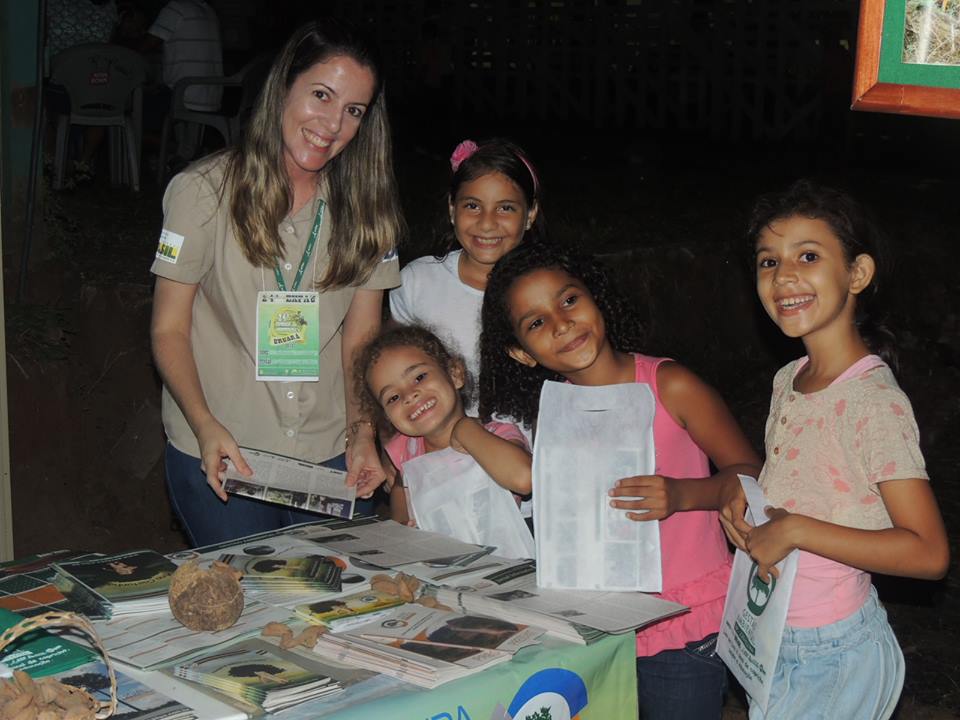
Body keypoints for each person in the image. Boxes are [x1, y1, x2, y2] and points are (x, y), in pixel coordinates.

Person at [477, 240, 761, 720]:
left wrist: (682, 494)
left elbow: (748, 471)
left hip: (684, 622)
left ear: (596, 297)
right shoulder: (554, 416)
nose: (562, 324)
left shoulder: (669, 384)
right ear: (522, 353)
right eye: (536, 323)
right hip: (599, 623)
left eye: (569, 300)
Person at [149, 18, 403, 547]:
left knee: (332, 595)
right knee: (248, 594)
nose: (332, 124)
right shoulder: (201, 193)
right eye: (321, 95)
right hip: (226, 447)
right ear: (283, 85)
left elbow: (361, 337)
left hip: (329, 452)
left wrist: (363, 433)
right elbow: (169, 329)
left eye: (353, 110)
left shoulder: (368, 211)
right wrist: (203, 424)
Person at [722, 180, 949, 720]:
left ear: (857, 273)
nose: (784, 276)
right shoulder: (788, 378)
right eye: (768, 261)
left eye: (808, 256)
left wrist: (796, 531)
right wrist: (751, 502)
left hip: (832, 653)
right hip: (774, 632)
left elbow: (928, 553)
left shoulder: (873, 403)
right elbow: (807, 486)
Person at [389, 138, 544, 390]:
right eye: (472, 206)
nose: (487, 223)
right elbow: (390, 361)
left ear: (530, 214)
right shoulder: (417, 282)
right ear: (452, 208)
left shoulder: (550, 291)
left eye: (505, 208)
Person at [354, 325, 531, 538]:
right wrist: (404, 528)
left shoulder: (497, 433)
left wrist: (465, 430)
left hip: (501, 555)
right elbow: (400, 509)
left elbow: (524, 480)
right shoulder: (405, 449)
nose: (409, 396)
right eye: (393, 397)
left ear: (455, 373)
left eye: (419, 377)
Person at [142, 0, 223, 161]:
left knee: (133, 113)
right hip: (210, 94)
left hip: (184, 94)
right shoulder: (208, 10)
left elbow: (144, 45)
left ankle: (178, 151)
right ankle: (184, 153)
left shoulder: (176, 8)